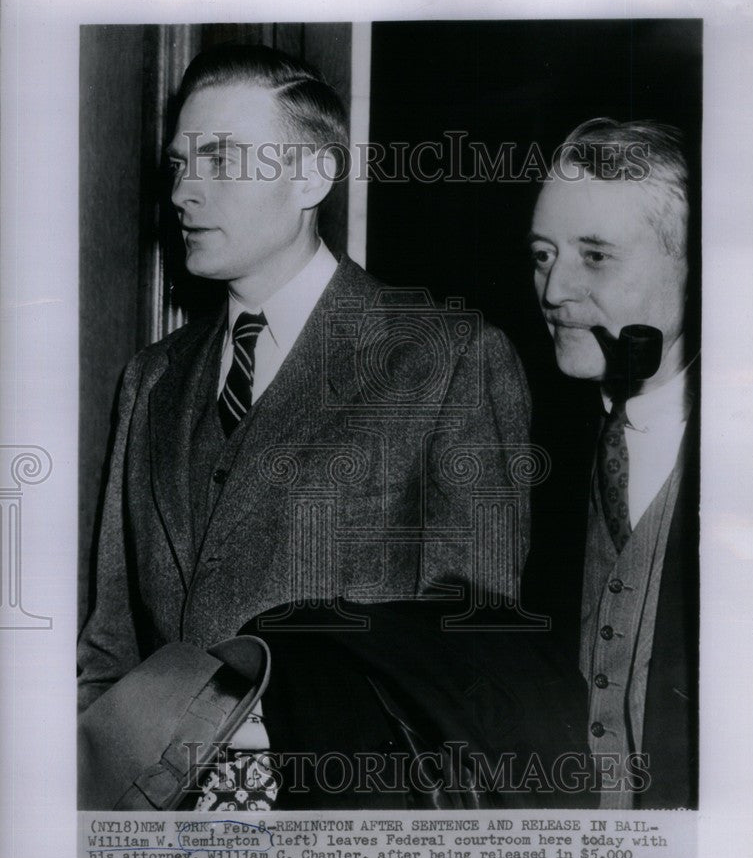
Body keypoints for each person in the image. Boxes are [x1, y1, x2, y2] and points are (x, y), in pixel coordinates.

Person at [77, 44, 534, 808]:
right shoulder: (150, 379)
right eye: (179, 163)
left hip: (343, 819)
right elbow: (109, 645)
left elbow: (471, 647)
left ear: (312, 176)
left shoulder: (449, 357)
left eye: (220, 160)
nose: (185, 191)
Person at [527, 118, 699, 809]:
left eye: (594, 256)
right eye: (541, 255)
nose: (553, 290)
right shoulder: (525, 454)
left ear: (692, 264)